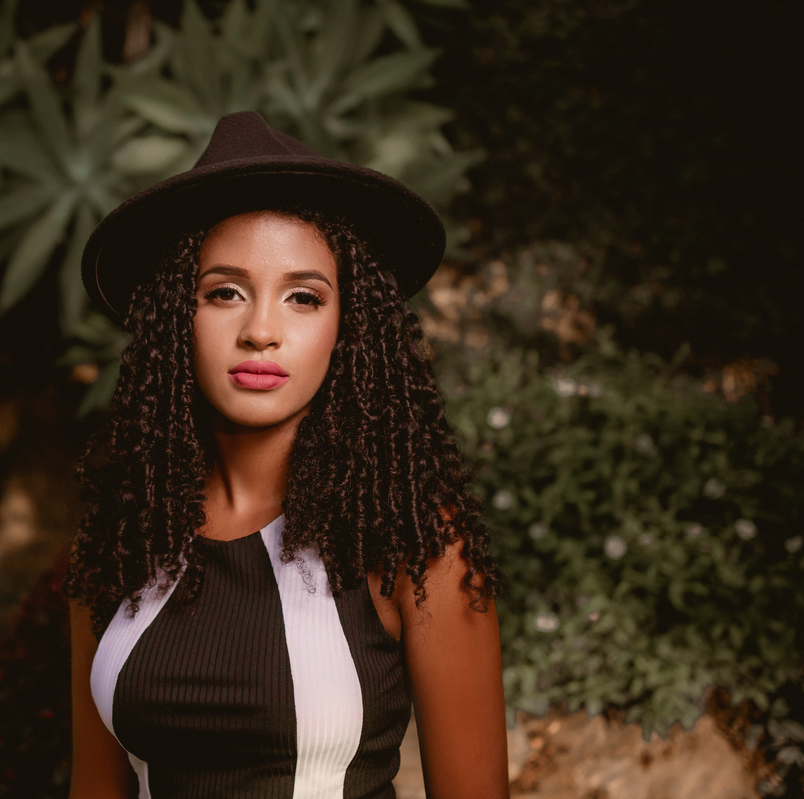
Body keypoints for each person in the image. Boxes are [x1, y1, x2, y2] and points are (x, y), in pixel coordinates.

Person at [66, 111, 508, 799]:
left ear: (348, 327)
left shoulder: (412, 541)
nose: (261, 330)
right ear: (175, 318)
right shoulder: (121, 539)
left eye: (304, 297)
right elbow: (95, 789)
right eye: (224, 293)